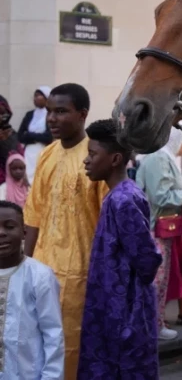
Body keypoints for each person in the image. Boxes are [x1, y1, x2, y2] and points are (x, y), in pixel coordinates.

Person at [23, 83, 107, 379]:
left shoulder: (97, 158)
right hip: (41, 272)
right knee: (37, 349)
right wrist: (22, 270)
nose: (52, 119)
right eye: (49, 112)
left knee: (72, 349)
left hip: (81, 278)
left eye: (61, 111)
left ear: (83, 114)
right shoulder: (46, 154)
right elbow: (33, 216)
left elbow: (108, 226)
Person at [77, 119, 162, 379]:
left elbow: (147, 259)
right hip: (110, 310)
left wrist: (124, 308)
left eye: (92, 154)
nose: (86, 161)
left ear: (114, 159)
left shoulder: (124, 200)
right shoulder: (115, 196)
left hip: (124, 314)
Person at [136, 128, 182, 340]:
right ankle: (152, 328)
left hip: (163, 228)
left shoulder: (165, 158)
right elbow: (161, 197)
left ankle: (156, 324)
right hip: (156, 228)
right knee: (156, 279)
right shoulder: (159, 159)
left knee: (161, 278)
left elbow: (173, 187)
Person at [0, 201, 64, 379]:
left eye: (10, 226)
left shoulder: (40, 276)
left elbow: (53, 335)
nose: (1, 233)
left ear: (24, 232)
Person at [17, 86, 53, 184]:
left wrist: (31, 135)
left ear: (46, 98)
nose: (35, 98)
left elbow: (49, 137)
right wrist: (35, 137)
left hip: (43, 150)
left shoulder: (50, 115)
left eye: (38, 96)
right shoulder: (29, 114)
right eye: (35, 96)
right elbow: (20, 135)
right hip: (28, 152)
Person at [0, 95, 24, 186]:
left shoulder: (11, 133)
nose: (1, 117)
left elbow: (18, 158)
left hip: (8, 185)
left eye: (3, 113)